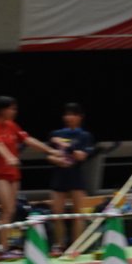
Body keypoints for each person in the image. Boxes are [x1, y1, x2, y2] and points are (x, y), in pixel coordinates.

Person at [0, 95, 60, 255]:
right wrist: (9, 157)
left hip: (13, 173)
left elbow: (28, 140)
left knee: (11, 210)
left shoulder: (12, 125)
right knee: (6, 210)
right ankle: (2, 248)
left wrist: (50, 150)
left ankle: (4, 246)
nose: (14, 111)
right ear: (2, 110)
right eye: (11, 109)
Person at [46, 103, 95, 253]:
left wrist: (65, 146)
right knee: (57, 214)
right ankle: (59, 245)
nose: (69, 117)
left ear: (80, 117)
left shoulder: (85, 136)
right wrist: (57, 160)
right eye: (66, 114)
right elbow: (49, 155)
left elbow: (81, 156)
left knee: (78, 214)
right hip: (58, 177)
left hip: (76, 177)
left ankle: (76, 247)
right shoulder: (55, 134)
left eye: (73, 114)